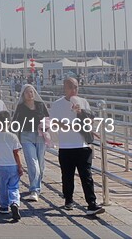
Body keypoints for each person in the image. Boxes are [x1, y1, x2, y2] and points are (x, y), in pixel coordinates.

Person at [50, 78, 105, 215]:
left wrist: (80, 112)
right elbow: (54, 122)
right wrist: (67, 126)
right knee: (67, 175)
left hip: (82, 145)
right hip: (66, 146)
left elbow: (90, 118)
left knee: (86, 175)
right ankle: (68, 199)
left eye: (76, 87)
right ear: (65, 88)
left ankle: (91, 204)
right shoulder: (57, 104)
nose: (74, 90)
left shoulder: (83, 102)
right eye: (71, 87)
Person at [12, 84, 49, 202]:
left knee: (41, 164)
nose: (30, 94)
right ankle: (34, 189)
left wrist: (45, 127)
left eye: (32, 91)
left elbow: (48, 119)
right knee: (33, 163)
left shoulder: (40, 105)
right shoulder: (21, 107)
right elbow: (15, 123)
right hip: (26, 135)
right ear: (23, 94)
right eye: (28, 92)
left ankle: (37, 183)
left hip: (40, 136)